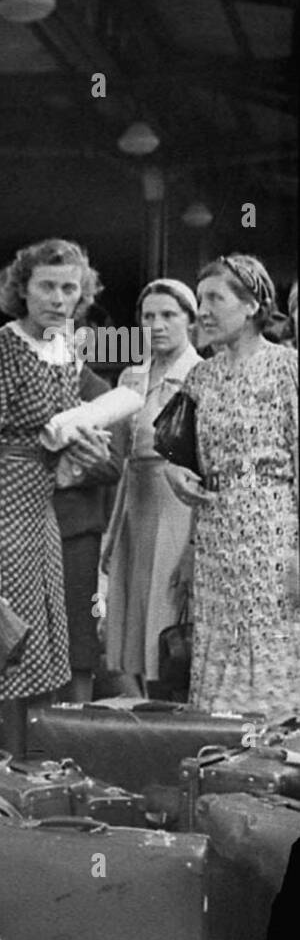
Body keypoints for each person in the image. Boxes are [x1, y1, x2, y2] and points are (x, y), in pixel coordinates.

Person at [0, 238, 110, 755]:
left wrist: (80, 454)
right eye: (46, 287)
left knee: (36, 657)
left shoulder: (67, 350)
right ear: (22, 289)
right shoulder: (2, 347)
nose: (58, 299)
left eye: (69, 288)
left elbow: (53, 446)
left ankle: (18, 779)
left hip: (39, 513)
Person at [166, 254, 299, 719]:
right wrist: (176, 474)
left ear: (251, 306)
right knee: (219, 644)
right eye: (200, 298)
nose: (202, 310)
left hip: (274, 532)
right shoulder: (199, 377)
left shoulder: (288, 369)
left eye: (214, 298)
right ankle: (219, 752)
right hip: (217, 534)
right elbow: (182, 459)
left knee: (271, 640)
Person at [101, 279, 200, 699]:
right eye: (148, 316)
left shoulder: (200, 375)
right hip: (135, 501)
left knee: (167, 620)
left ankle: (171, 719)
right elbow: (121, 454)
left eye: (169, 315)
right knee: (131, 620)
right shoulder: (132, 376)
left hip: (177, 503)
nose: (157, 325)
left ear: (190, 321)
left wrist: (195, 544)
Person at [52, 360, 123, 703]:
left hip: (76, 531)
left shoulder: (97, 390)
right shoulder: (17, 376)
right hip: (21, 525)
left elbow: (114, 463)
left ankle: (71, 735)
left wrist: (71, 471)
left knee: (78, 640)